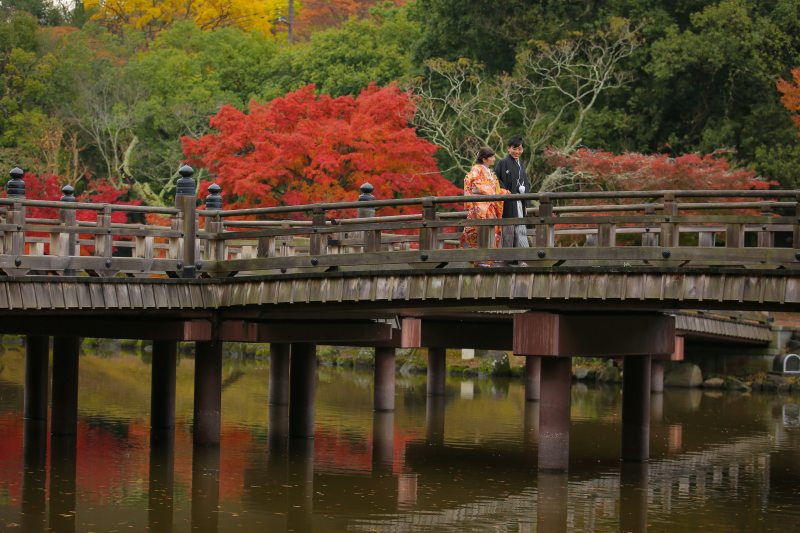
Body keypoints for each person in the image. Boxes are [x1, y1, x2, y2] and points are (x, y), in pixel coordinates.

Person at [459, 147, 509, 267]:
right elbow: (475, 184)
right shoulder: (477, 169)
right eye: (492, 157)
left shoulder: (489, 172)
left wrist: (504, 192)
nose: (494, 159)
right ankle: (478, 260)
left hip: (489, 206)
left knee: (489, 231)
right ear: (484, 159)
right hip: (479, 207)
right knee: (478, 231)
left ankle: (485, 259)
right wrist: (491, 193)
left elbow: (494, 188)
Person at [495, 134, 531, 266]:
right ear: (508, 148)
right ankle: (504, 261)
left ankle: (522, 259)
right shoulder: (502, 163)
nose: (517, 151)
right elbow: (496, 181)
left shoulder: (521, 165)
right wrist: (505, 193)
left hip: (520, 202)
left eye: (520, 149)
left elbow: (526, 184)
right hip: (507, 202)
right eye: (514, 148)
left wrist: (526, 204)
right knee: (507, 230)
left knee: (521, 229)